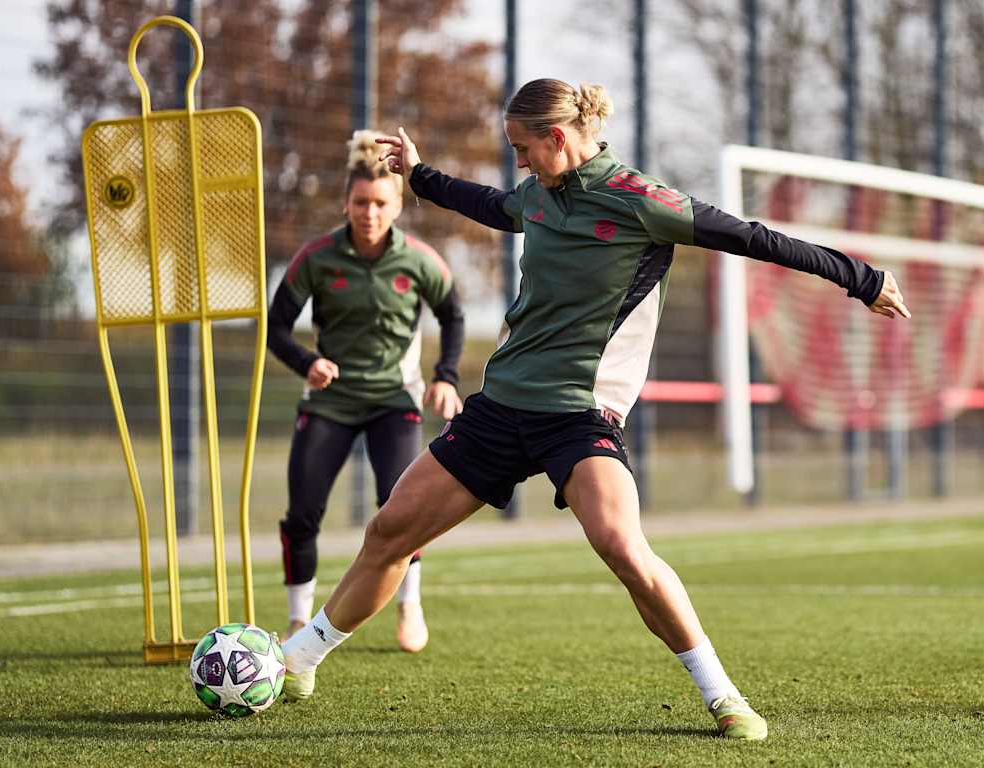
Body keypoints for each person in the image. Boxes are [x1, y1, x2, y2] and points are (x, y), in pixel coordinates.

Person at [281, 80, 910, 739]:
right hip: (499, 408)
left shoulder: (642, 201)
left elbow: (751, 237)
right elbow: (493, 206)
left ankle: (724, 696)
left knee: (621, 546)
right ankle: (300, 658)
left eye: (524, 148)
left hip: (580, 417)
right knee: (389, 533)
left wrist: (859, 278)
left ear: (558, 138)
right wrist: (420, 174)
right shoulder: (538, 196)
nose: (518, 161)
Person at [267, 129, 464, 653]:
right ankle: (295, 620)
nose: (369, 213)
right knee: (303, 511)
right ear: (346, 203)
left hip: (394, 401)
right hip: (329, 403)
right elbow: (276, 328)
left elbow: (453, 315)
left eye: (380, 203)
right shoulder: (317, 257)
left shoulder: (420, 260)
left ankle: (410, 605)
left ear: (397, 204)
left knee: (402, 509)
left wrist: (446, 375)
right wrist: (307, 363)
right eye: (360, 202)